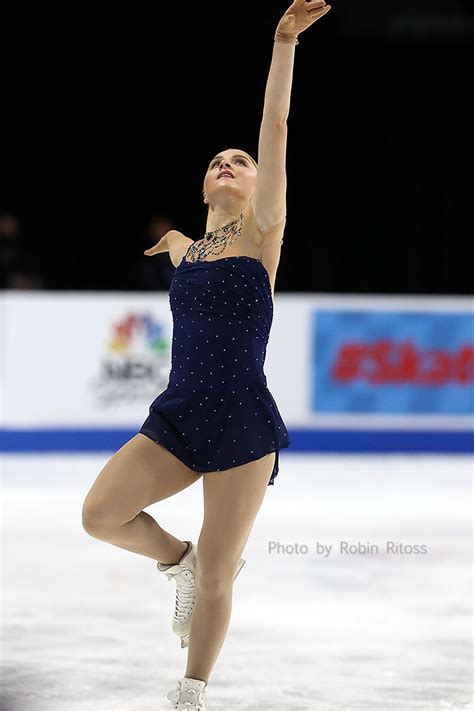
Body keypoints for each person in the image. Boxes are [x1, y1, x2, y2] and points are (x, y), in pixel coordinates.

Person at [81, 1, 331, 708]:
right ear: (202, 187)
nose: (229, 164)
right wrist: (170, 245)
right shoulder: (191, 246)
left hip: (242, 423)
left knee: (222, 573)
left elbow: (275, 127)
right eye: (217, 162)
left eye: (240, 162)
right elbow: (179, 247)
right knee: (101, 515)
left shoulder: (263, 233)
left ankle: (191, 691)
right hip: (180, 413)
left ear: (257, 187)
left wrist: (283, 44)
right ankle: (175, 560)